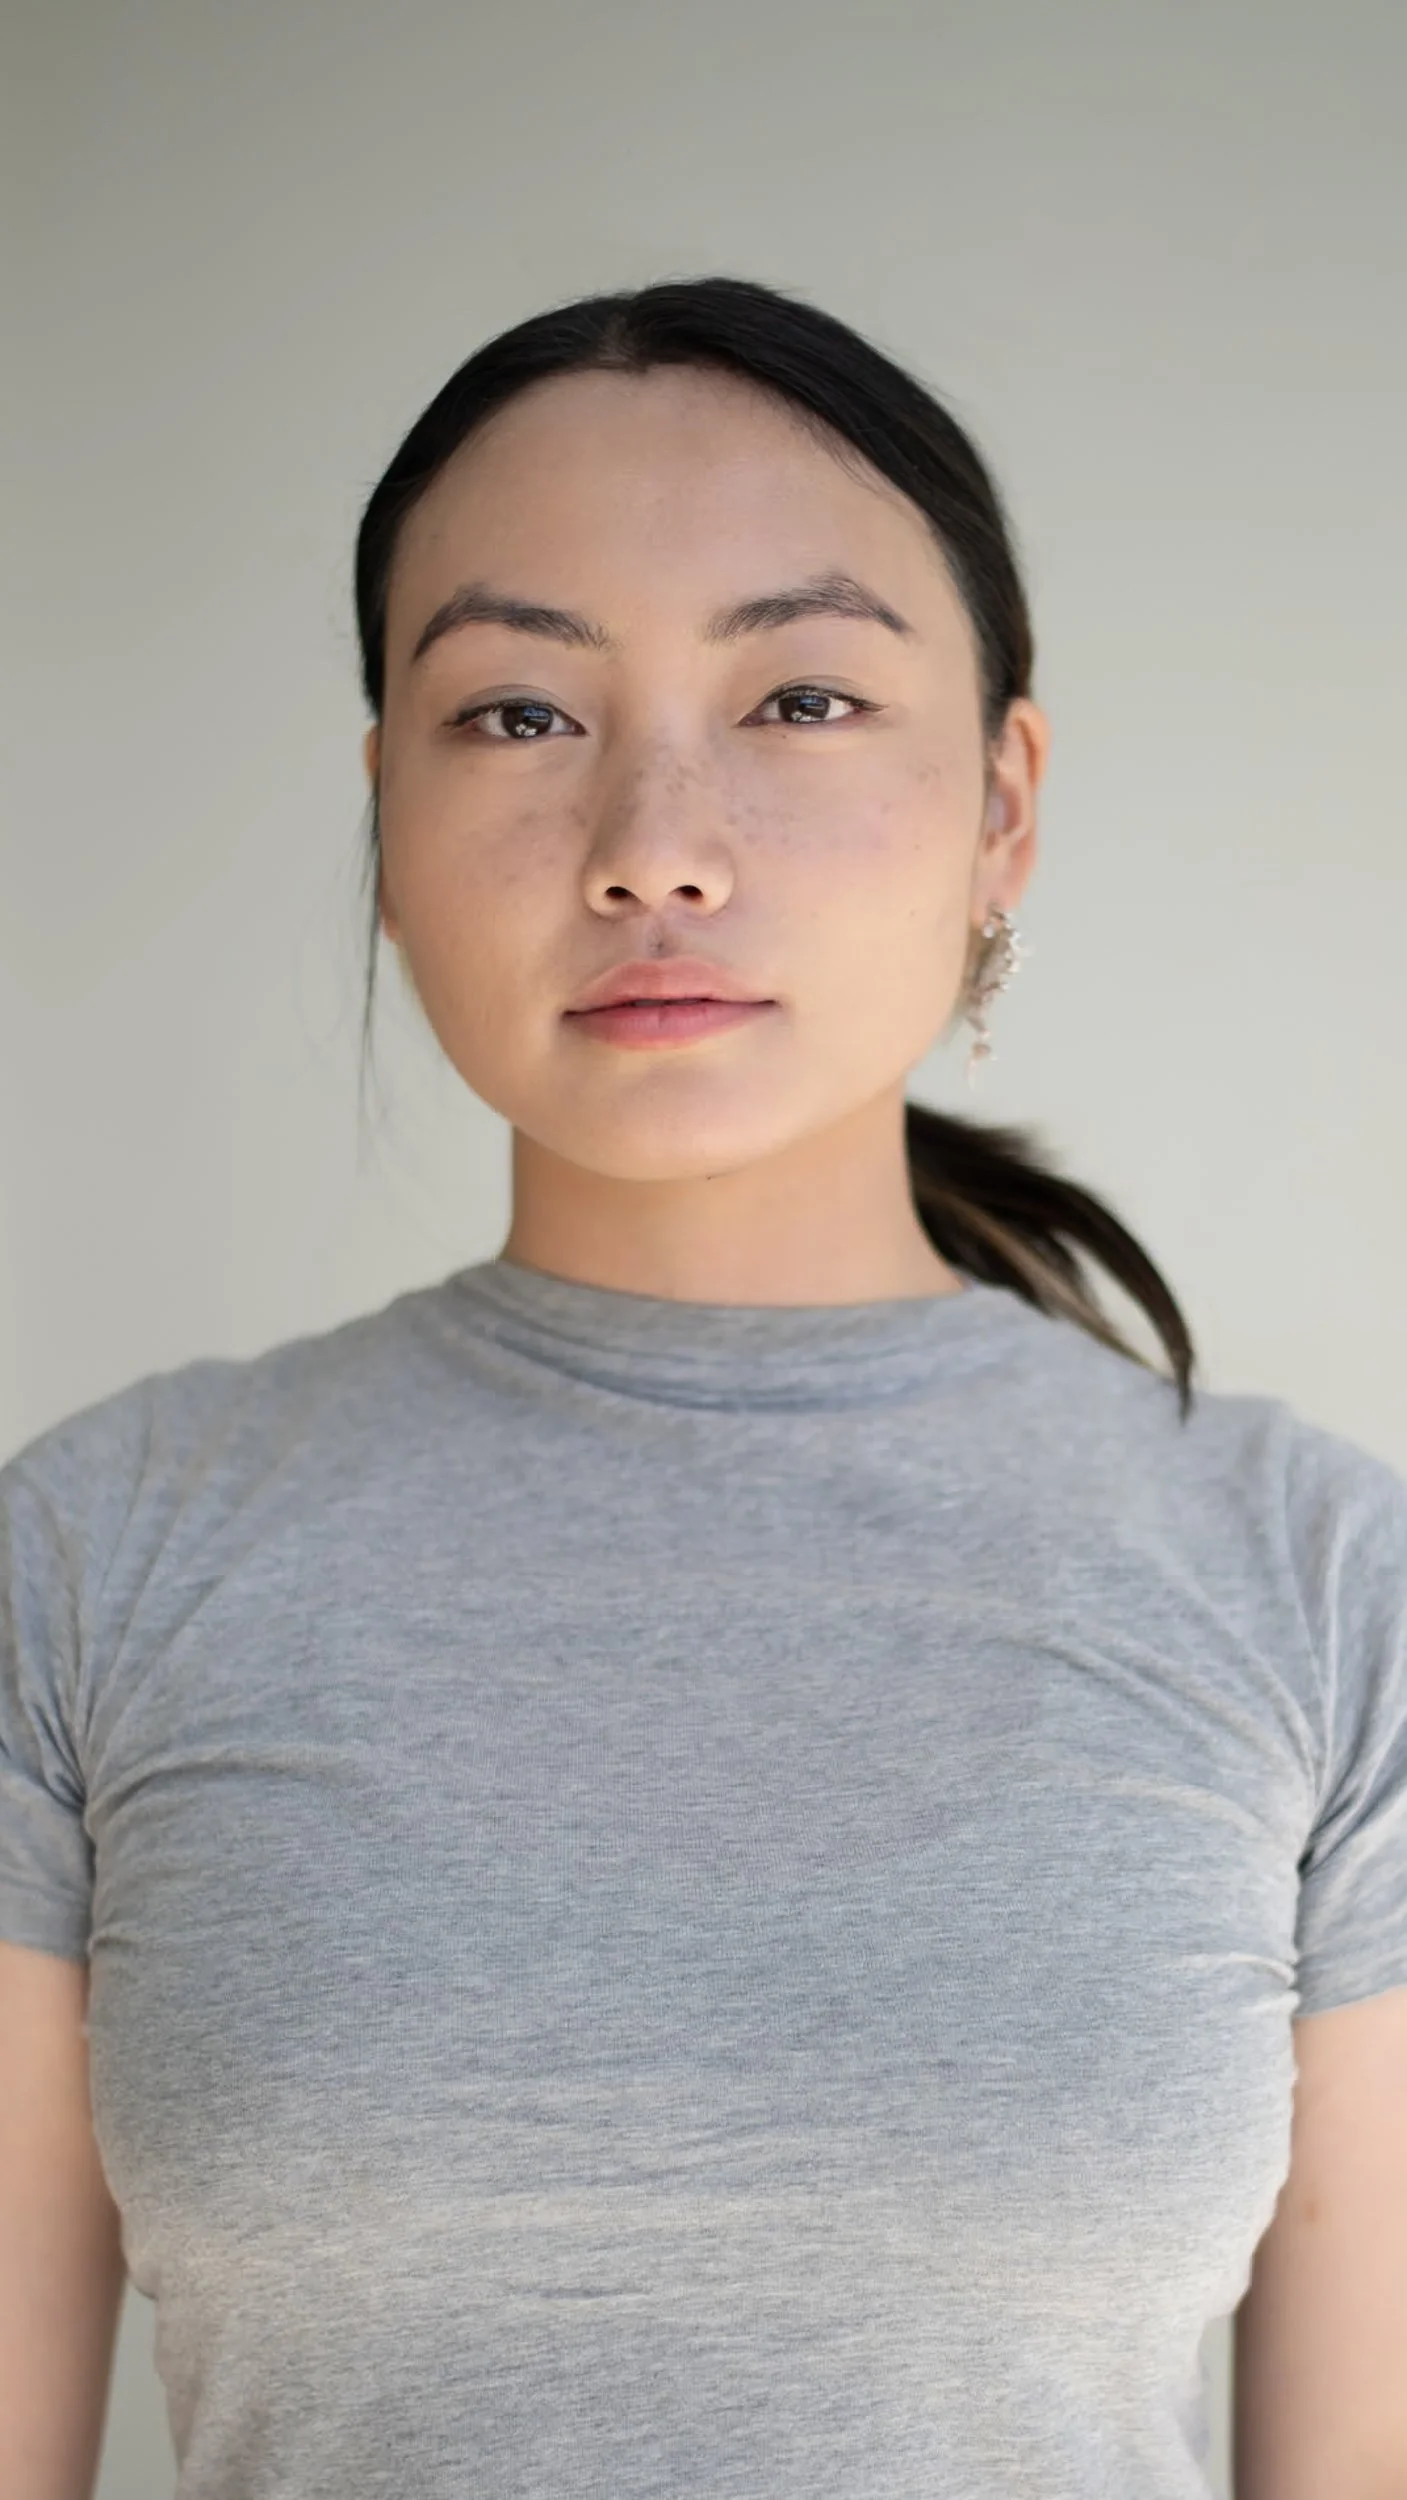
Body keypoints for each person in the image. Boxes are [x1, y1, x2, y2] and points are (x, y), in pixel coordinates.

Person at [2, 273, 1404, 2500]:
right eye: (518, 714)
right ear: (383, 813)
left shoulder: (1322, 1581)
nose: (654, 836)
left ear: (1003, 807)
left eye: (805, 694)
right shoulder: (90, 1555)